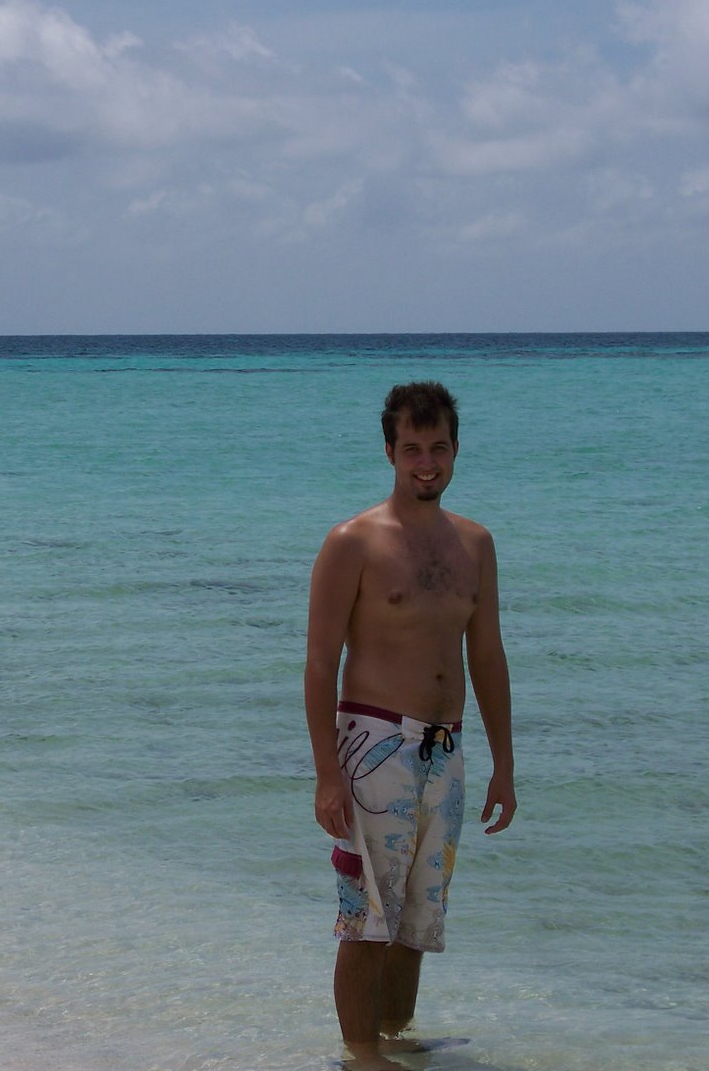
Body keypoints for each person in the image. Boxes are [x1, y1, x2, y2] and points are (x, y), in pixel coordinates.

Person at [303, 381, 516, 1067]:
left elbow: (487, 656)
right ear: (390, 452)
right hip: (374, 743)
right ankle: (359, 1054)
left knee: (417, 921)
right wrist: (326, 775)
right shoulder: (353, 542)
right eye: (413, 449)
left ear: (455, 451)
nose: (427, 463)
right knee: (367, 918)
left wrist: (505, 766)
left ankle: (394, 1038)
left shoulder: (475, 544)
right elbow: (319, 663)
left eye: (439, 448)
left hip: (446, 748)